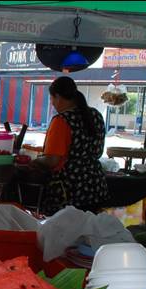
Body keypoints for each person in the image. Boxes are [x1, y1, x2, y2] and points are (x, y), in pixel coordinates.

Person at [30, 76, 108, 216]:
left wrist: (33, 161)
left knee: (64, 235)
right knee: (89, 233)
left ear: (58, 97)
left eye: (52, 98)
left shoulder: (61, 120)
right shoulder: (96, 115)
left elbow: (52, 160)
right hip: (96, 186)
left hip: (69, 190)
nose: (52, 103)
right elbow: (98, 152)